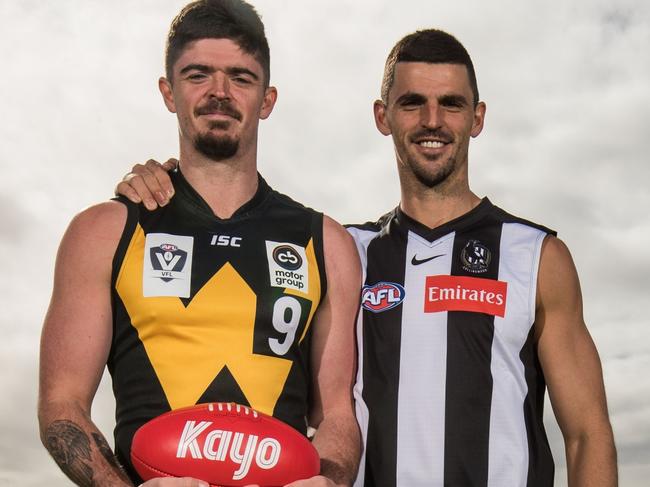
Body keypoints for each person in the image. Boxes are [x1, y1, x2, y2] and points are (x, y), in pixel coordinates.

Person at [115, 29, 618, 487]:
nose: (432, 121)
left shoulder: (536, 256)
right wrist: (169, 185)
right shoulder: (344, 251)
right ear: (383, 116)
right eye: (411, 103)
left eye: (452, 104)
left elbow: (587, 435)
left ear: (477, 117)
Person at [38, 1, 361, 486]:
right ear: (168, 92)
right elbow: (62, 406)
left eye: (241, 77)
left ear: (267, 100)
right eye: (197, 75)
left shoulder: (325, 242)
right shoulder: (105, 231)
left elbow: (336, 414)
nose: (220, 92)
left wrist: (329, 482)